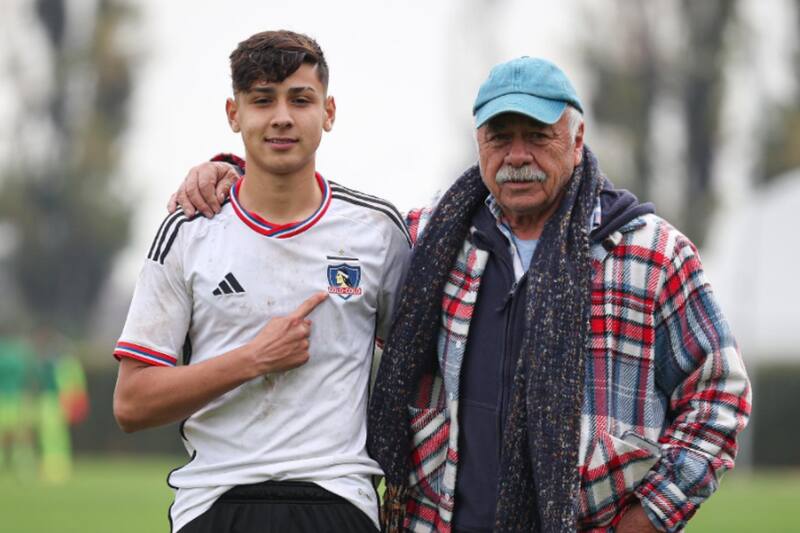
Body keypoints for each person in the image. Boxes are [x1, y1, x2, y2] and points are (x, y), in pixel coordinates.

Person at [169, 57, 751, 533]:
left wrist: (649, 517)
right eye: (501, 138)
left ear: (577, 142)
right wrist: (228, 172)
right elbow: (314, 232)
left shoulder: (651, 255)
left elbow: (719, 395)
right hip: (438, 521)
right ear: (479, 143)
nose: (517, 156)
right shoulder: (426, 243)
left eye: (538, 138)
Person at [114, 30, 410, 533]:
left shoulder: (378, 231)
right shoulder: (188, 230)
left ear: (329, 112)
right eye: (262, 100)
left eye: (300, 99)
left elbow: (422, 365)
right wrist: (253, 359)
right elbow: (132, 403)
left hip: (338, 498)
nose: (281, 117)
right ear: (234, 114)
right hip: (216, 499)